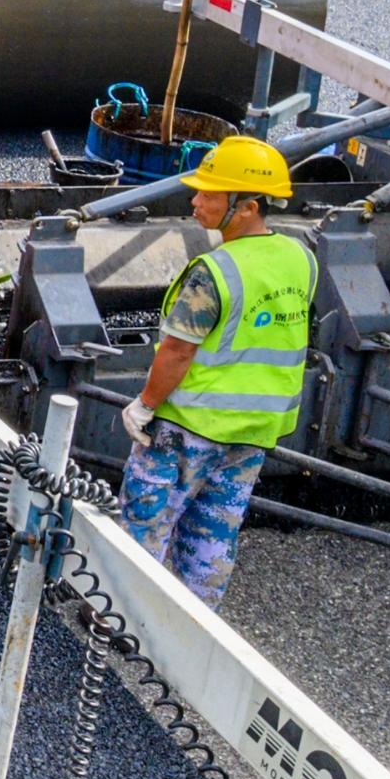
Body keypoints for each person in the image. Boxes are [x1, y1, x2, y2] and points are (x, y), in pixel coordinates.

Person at [115, 136, 315, 606]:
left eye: (209, 194)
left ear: (245, 207)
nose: (196, 200)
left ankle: (117, 618)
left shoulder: (215, 271)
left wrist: (145, 405)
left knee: (146, 522)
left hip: (189, 427)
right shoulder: (301, 258)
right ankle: (196, 631)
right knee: (213, 533)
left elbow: (178, 352)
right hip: (254, 433)